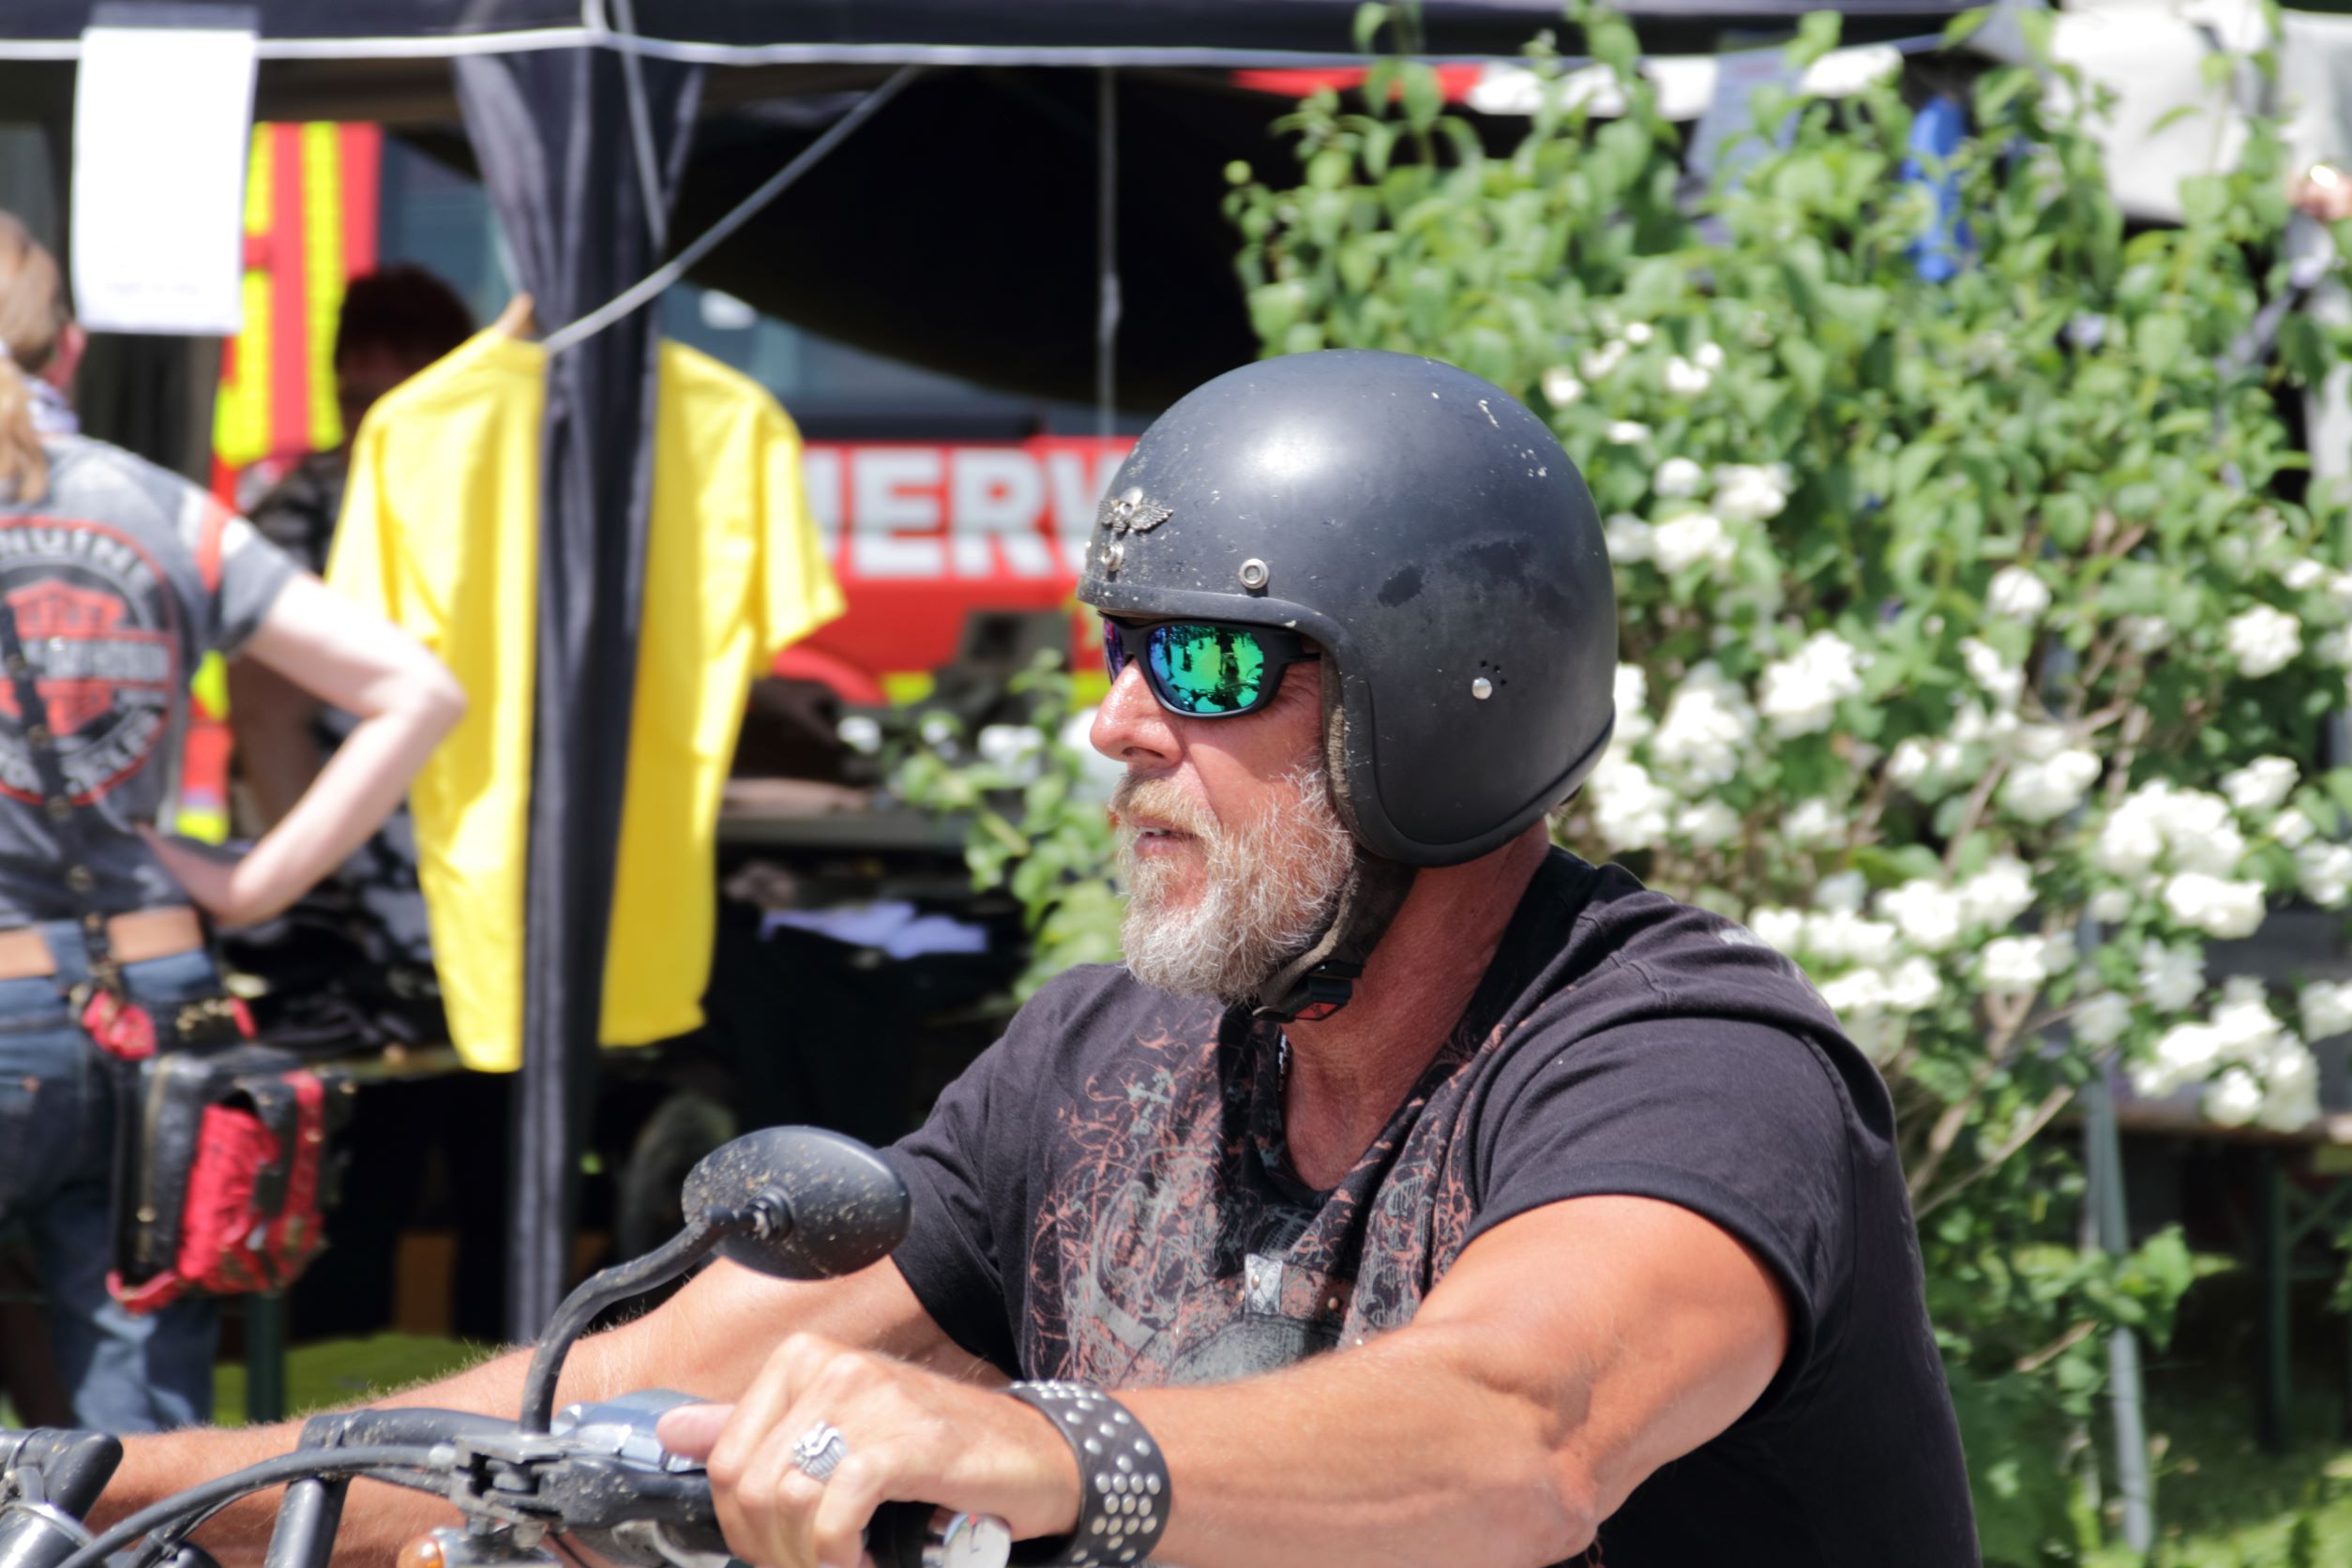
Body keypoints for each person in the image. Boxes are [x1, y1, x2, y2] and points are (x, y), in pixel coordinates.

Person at [108, 352, 1973, 1564]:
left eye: (1209, 661)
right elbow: (624, 1391)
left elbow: (1521, 1426)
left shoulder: (1683, 1056)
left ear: (1440, 697)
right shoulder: (1108, 1061)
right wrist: (124, 1488)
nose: (1120, 721)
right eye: (1119, 647)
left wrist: (1058, 1449)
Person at [0, 214, 463, 1431]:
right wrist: (252, 887)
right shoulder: (164, 507)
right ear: (70, 348)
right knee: (143, 1440)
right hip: (150, 998)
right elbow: (417, 691)